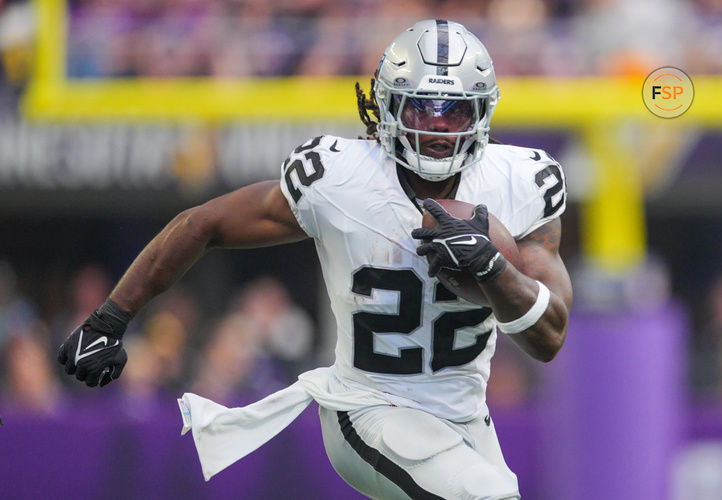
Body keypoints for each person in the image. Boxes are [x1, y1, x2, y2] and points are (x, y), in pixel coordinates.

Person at [57, 19, 572, 500]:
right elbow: (204, 223)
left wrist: (492, 267)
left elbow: (548, 336)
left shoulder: (520, 183)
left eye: (455, 110)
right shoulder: (340, 178)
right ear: (386, 106)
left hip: (465, 417)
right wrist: (110, 317)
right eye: (421, 108)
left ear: (483, 112)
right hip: (367, 407)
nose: (438, 129)